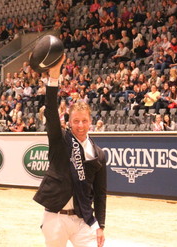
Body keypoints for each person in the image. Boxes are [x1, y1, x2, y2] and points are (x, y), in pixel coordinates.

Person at [34, 55, 106, 247]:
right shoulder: (60, 140)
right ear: (68, 122)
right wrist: (54, 77)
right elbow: (50, 111)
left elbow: (100, 194)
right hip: (55, 217)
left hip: (84, 220)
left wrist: (101, 225)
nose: (80, 125)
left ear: (90, 122)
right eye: (76, 121)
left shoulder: (98, 154)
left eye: (84, 121)